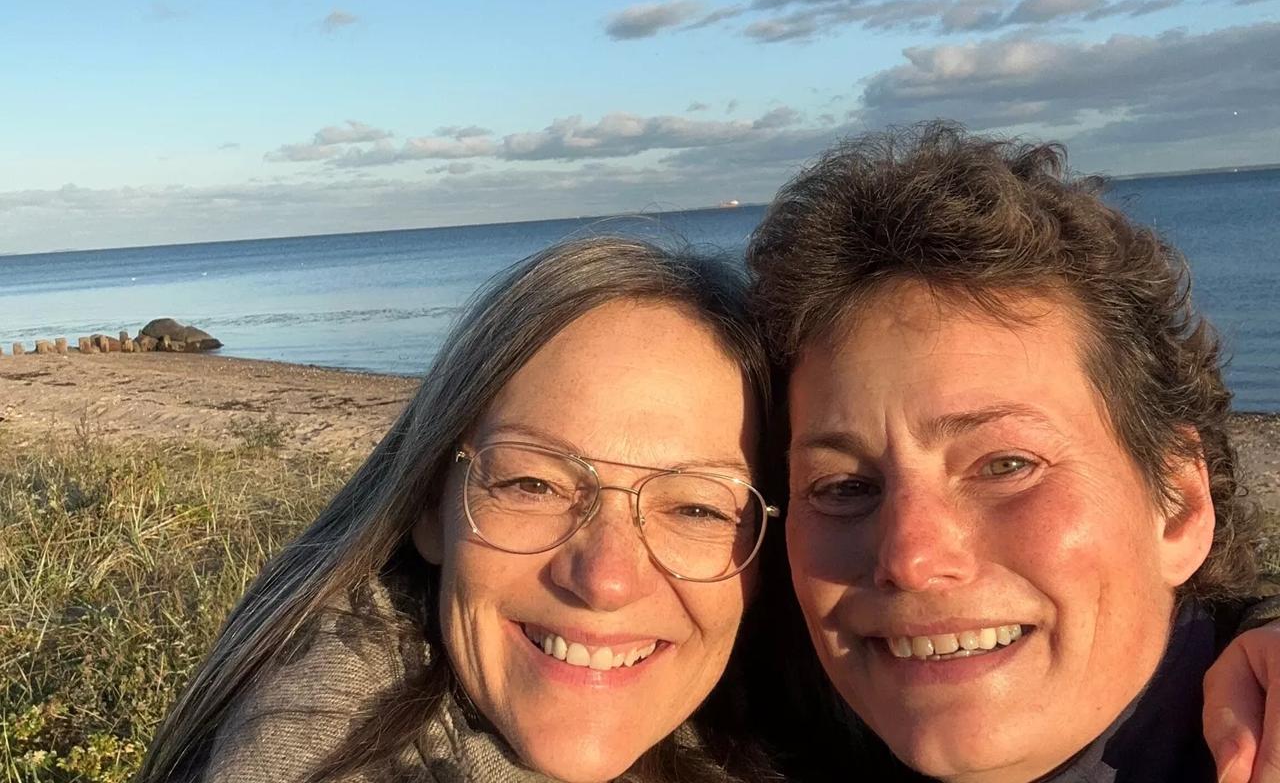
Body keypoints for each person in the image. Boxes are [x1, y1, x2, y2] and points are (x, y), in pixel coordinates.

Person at [136, 236, 782, 783]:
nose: (606, 580)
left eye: (697, 509)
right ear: (428, 504)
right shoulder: (304, 750)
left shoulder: (805, 729)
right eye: (534, 485)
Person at [745, 121, 1273, 782]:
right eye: (843, 487)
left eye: (1005, 465)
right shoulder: (758, 744)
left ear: (1179, 507)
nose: (910, 558)